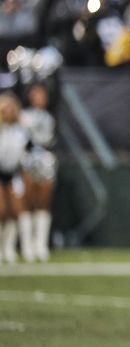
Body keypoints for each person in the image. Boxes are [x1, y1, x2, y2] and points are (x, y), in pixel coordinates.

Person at [20, 83, 57, 261]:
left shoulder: (50, 117)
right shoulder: (24, 116)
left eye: (42, 95)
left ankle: (40, 244)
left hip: (45, 158)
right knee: (27, 201)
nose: (39, 98)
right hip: (28, 158)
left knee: (43, 202)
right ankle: (27, 245)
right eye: (36, 94)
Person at [0, 93, 29, 264]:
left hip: (14, 174)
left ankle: (9, 247)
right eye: (5, 110)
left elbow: (26, 152)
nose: (8, 113)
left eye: (11, 109)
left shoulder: (20, 132)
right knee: (1, 211)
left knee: (16, 211)